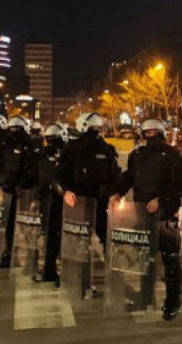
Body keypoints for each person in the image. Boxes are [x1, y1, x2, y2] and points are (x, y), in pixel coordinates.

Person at [110, 118, 182, 320]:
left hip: (165, 213)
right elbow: (130, 176)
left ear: (161, 132)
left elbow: (178, 182)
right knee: (145, 256)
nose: (150, 135)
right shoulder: (137, 154)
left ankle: (172, 301)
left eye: (154, 132)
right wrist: (117, 193)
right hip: (142, 211)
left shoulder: (172, 154)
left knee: (169, 258)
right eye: (147, 132)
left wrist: (161, 200)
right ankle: (145, 297)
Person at [59, 112, 120, 299]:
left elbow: (115, 174)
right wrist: (66, 191)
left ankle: (109, 281)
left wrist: (112, 193)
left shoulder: (104, 148)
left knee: (99, 242)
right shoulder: (74, 148)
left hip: (94, 202)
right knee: (82, 244)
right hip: (81, 202)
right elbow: (61, 175)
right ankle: (83, 282)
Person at [0, 115, 38, 268]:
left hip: (24, 190)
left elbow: (33, 168)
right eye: (12, 128)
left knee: (26, 223)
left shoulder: (30, 144)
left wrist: (21, 183)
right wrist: (3, 180)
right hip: (8, 189)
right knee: (8, 222)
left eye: (17, 129)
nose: (14, 131)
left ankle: (30, 254)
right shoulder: (5, 144)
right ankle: (8, 251)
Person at [34, 124, 68, 283]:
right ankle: (49, 270)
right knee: (49, 236)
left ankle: (66, 271)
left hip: (62, 200)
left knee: (62, 236)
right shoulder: (42, 154)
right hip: (47, 199)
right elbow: (37, 175)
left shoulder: (68, 153)